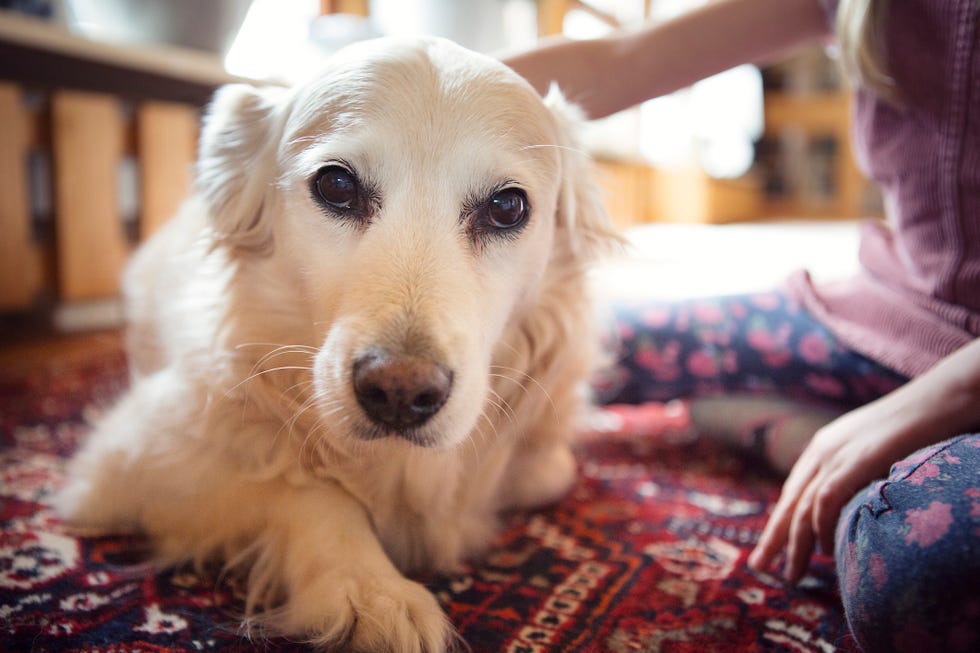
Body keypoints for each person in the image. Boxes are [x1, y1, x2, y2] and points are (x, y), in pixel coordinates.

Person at [504, 1, 980, 651]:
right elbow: (623, 58)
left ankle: (833, 442)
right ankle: (801, 432)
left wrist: (949, 396)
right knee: (592, 341)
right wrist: (393, 81)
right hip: (894, 312)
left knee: (908, 566)